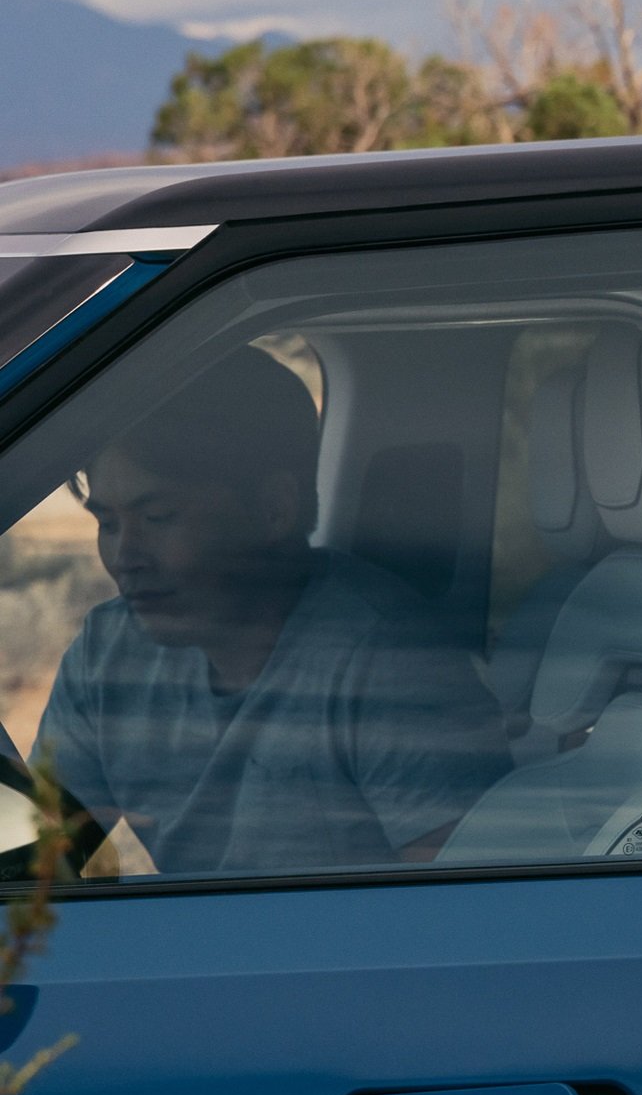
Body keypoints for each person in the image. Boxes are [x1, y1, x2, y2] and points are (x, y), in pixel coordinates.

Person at [35, 346, 510, 875]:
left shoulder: (387, 663)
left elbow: (462, 899)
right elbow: (31, 863)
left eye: (159, 517)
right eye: (107, 524)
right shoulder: (106, 654)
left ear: (273, 509)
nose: (125, 557)